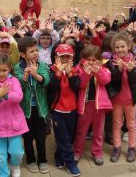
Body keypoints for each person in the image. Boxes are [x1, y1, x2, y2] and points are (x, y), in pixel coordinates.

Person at [0, 53, 28, 177]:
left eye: (4, 70)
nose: (1, 73)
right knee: (0, 155)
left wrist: (5, 95)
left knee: (17, 152)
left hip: (15, 123)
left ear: (9, 68)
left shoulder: (14, 81)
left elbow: (19, 97)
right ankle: (3, 174)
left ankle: (15, 166)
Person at [14, 37, 50, 174]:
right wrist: (23, 78)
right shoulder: (18, 67)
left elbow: (46, 80)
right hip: (25, 110)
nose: (36, 53)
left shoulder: (42, 65)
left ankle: (42, 160)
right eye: (32, 51)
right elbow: (17, 83)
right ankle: (30, 160)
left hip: (40, 109)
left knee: (41, 136)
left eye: (37, 50)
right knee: (27, 137)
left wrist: (36, 75)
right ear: (23, 54)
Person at [74, 45, 112, 166]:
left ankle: (97, 152)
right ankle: (77, 151)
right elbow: (80, 84)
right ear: (83, 59)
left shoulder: (103, 68)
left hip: (99, 106)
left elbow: (105, 81)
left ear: (99, 59)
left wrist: (97, 72)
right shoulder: (79, 69)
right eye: (88, 59)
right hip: (85, 105)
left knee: (98, 131)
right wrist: (87, 73)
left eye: (94, 59)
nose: (91, 62)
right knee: (81, 131)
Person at [106, 32, 136, 163]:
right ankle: (117, 147)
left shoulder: (134, 59)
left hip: (131, 99)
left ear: (129, 46)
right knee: (116, 125)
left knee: (131, 125)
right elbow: (112, 80)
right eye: (117, 47)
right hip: (117, 100)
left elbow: (135, 80)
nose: (120, 49)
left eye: (123, 46)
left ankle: (132, 148)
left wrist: (131, 71)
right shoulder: (111, 61)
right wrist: (119, 70)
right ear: (114, 48)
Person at [48, 43, 81, 176]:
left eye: (68, 56)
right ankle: (71, 164)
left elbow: (77, 87)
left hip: (72, 110)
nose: (65, 59)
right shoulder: (51, 69)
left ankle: (59, 157)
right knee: (63, 138)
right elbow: (51, 87)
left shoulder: (76, 70)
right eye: (62, 56)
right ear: (56, 57)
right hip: (57, 110)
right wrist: (58, 73)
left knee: (69, 137)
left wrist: (69, 73)